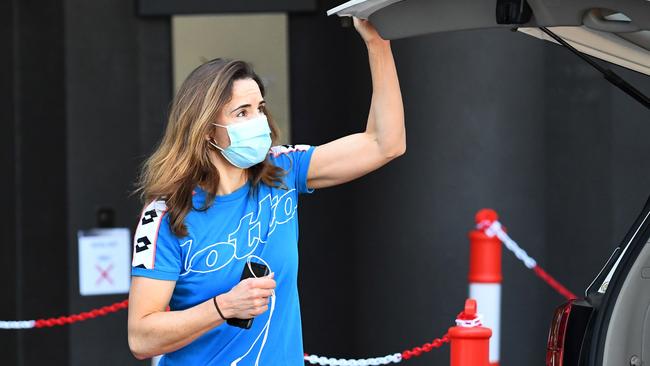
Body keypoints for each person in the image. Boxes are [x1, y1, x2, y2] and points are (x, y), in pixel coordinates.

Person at [127, 17, 405, 365]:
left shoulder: (282, 169)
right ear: (205, 130)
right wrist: (224, 307)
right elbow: (140, 337)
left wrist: (378, 45)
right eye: (242, 112)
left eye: (259, 108)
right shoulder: (166, 214)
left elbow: (385, 144)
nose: (258, 120)